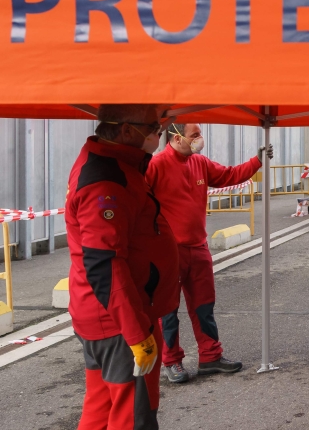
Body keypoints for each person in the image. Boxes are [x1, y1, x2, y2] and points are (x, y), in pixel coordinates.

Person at [66, 104, 179, 429]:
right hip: (120, 322)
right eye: (154, 127)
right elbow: (104, 265)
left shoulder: (112, 164)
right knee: (133, 417)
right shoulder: (106, 182)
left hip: (105, 316)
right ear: (127, 130)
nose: (159, 133)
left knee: (101, 410)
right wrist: (136, 334)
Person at [147, 123, 272, 383]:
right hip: (169, 251)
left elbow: (230, 175)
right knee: (167, 309)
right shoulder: (156, 165)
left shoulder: (200, 163)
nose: (200, 140)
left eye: (200, 134)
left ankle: (210, 356)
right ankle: (171, 361)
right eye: (194, 136)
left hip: (198, 247)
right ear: (176, 137)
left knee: (204, 305)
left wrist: (257, 161)